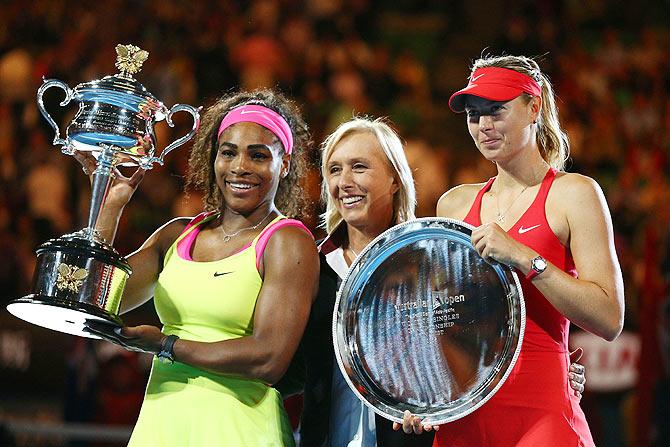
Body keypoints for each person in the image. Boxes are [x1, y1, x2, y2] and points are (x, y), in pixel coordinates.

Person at [398, 55, 624, 446]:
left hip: (542, 414)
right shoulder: (454, 204)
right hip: (463, 417)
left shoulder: (575, 194)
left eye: (496, 110)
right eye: (473, 114)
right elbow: (442, 321)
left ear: (533, 107)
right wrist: (420, 391)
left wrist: (525, 257)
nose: (483, 125)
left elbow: (609, 318)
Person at [79, 89, 320, 446]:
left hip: (240, 432)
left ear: (283, 165)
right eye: (229, 153)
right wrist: (111, 207)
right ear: (214, 159)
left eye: (258, 155)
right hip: (161, 428)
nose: (240, 166)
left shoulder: (287, 241)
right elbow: (92, 298)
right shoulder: (176, 235)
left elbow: (267, 359)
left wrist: (167, 345)